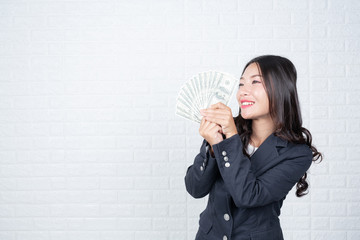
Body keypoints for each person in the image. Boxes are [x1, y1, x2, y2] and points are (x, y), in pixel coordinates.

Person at [184, 55, 322, 240]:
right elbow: (195, 188)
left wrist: (228, 139)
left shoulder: (297, 154)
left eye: (255, 82)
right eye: (241, 84)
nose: (243, 92)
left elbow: (248, 196)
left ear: (280, 89)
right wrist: (212, 147)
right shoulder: (225, 131)